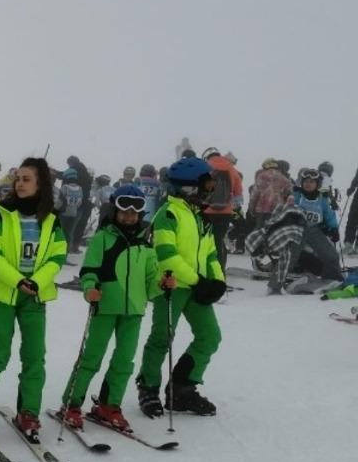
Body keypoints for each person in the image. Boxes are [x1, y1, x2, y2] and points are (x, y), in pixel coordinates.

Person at [0, 158, 67, 438]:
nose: (19, 183)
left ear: (41, 183)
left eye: (26, 179)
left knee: (35, 357)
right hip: (4, 295)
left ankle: (28, 412)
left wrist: (36, 281)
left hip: (35, 295)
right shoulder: (2, 213)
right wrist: (18, 280)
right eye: (17, 178)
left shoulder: (52, 219)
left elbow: (58, 256)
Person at [57, 185, 173, 430]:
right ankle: (71, 404)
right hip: (105, 307)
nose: (130, 215)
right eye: (124, 209)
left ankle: (110, 405)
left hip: (134, 311)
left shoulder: (146, 244)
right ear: (115, 210)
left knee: (124, 362)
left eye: (135, 210)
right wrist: (90, 288)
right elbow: (89, 271)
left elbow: (150, 283)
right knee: (92, 358)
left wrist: (162, 284)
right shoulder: (102, 238)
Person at [135, 159, 226, 417]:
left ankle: (182, 389)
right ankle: (148, 388)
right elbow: (167, 256)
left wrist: (217, 281)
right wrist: (200, 281)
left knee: (210, 336)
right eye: (205, 184)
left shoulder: (199, 217)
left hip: (196, 287)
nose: (209, 189)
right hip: (171, 287)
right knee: (162, 338)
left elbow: (209, 254)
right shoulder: (168, 214)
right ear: (188, 187)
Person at [289, 168, 342, 282]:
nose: (308, 184)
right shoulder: (296, 195)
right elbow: (286, 210)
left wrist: (333, 229)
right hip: (296, 230)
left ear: (317, 184)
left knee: (332, 256)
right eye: (306, 181)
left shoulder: (322, 199)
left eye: (311, 182)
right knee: (291, 255)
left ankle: (331, 278)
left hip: (314, 231)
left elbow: (329, 215)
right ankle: (279, 279)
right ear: (301, 183)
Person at [201, 147, 244, 270]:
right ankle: (220, 272)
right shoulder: (231, 169)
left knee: (204, 241)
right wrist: (231, 206)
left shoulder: (204, 167)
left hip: (206, 212)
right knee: (219, 241)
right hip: (225, 212)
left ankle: (205, 269)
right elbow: (238, 194)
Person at [248, 158, 293, 229]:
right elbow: (289, 195)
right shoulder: (285, 179)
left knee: (260, 230)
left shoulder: (261, 176)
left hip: (261, 209)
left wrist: (251, 209)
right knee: (273, 230)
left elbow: (254, 194)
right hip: (277, 209)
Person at [57, 168, 84, 254]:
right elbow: (80, 202)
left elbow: (59, 201)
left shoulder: (65, 187)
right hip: (74, 213)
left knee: (60, 232)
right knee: (69, 233)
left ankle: (58, 251)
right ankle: (66, 252)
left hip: (63, 213)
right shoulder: (80, 189)